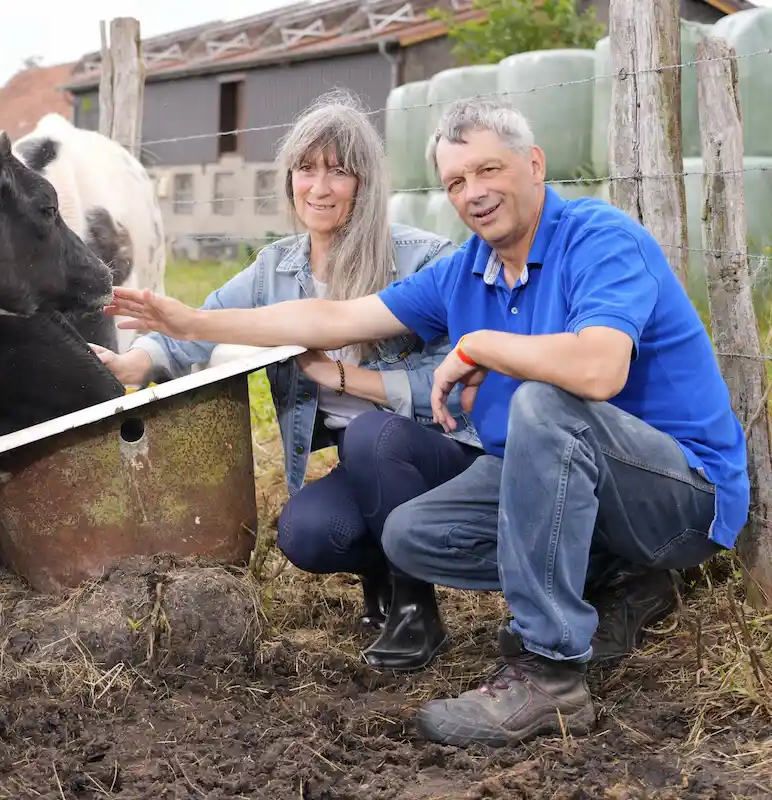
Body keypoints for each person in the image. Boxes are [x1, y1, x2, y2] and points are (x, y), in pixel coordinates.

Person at [101, 96, 746, 748]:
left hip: (681, 497)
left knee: (543, 403)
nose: (475, 193)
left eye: (488, 170)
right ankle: (615, 584)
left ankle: (549, 674)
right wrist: (190, 324)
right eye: (456, 182)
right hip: (585, 492)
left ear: (534, 164)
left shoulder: (600, 238)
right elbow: (334, 319)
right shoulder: (466, 270)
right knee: (412, 534)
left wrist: (479, 347)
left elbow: (599, 370)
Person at [90, 88, 482, 669]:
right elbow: (194, 329)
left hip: (442, 453)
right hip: (367, 460)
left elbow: (458, 374)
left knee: (373, 434)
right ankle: (380, 573)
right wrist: (134, 363)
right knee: (306, 533)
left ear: (366, 185)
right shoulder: (278, 268)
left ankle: (415, 609)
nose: (318, 188)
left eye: (338, 172)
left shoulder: (422, 259)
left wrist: (342, 377)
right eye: (305, 169)